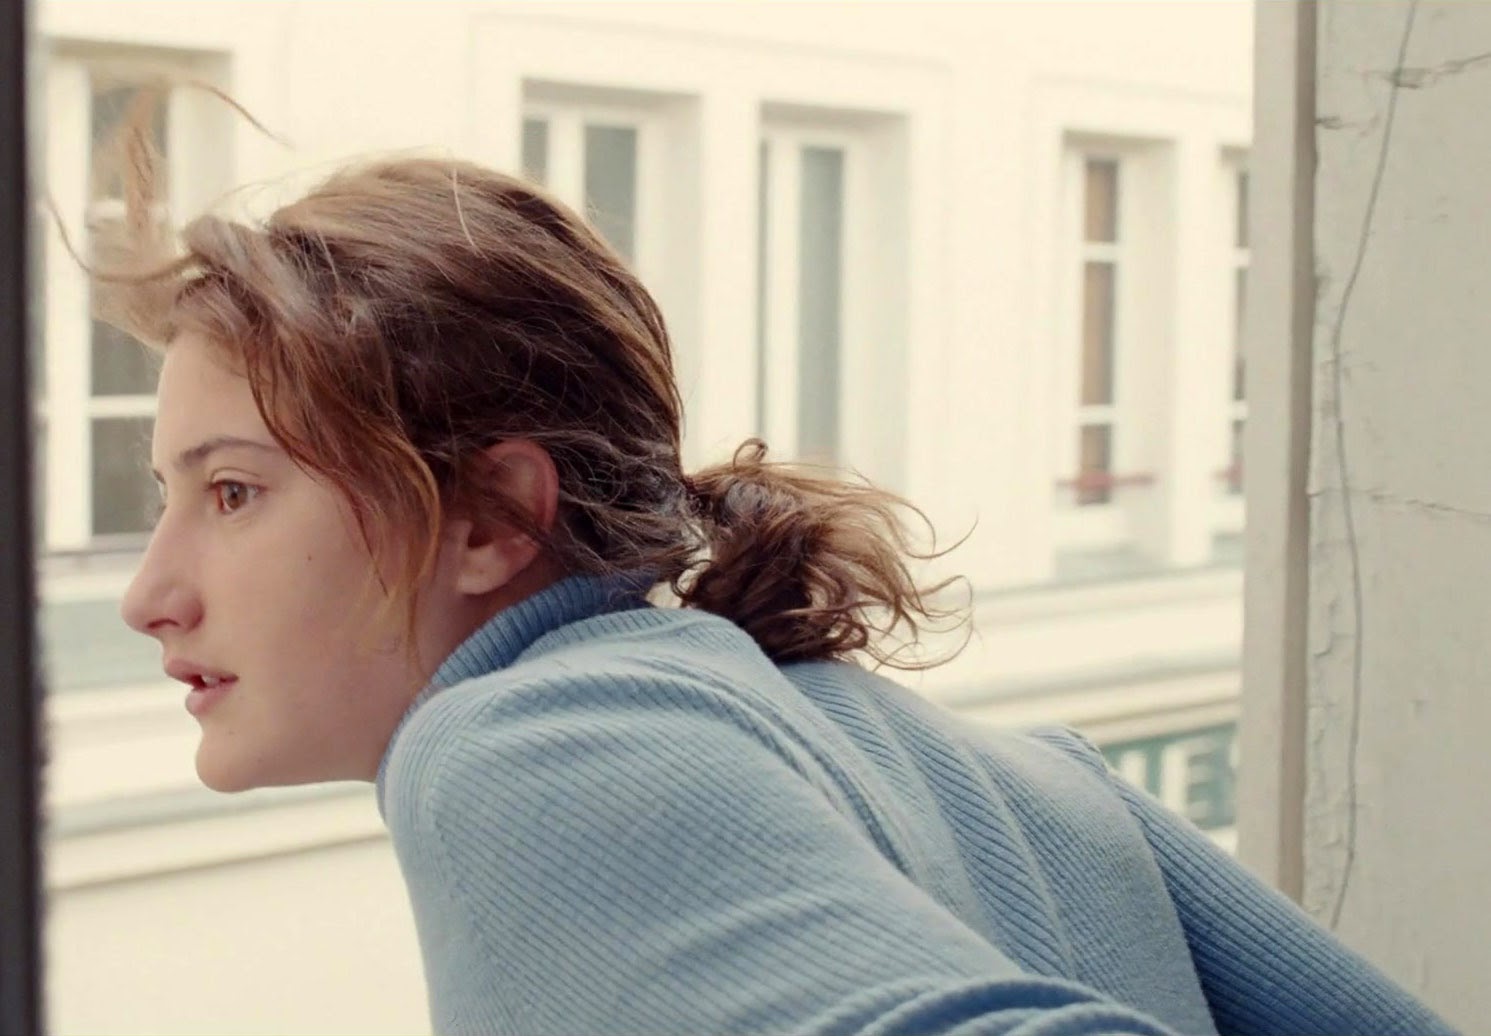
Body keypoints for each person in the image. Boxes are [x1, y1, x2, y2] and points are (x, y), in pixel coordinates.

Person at [96, 99, 1455, 1036]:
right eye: (170, 499)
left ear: (491, 518)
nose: (150, 594)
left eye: (234, 492)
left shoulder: (511, 750)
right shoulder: (1020, 777)